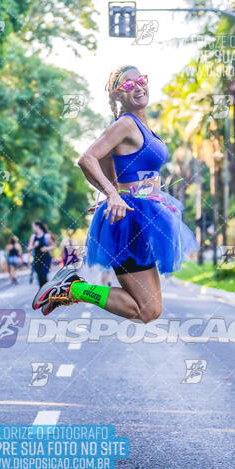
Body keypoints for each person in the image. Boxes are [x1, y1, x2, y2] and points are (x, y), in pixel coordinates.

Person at [32, 65, 198, 318]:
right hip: (129, 222)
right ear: (119, 95)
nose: (139, 86)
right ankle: (75, 289)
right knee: (145, 310)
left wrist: (110, 192)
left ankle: (74, 289)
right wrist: (112, 194)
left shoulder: (141, 126)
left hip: (143, 214)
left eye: (141, 79)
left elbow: (111, 168)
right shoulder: (126, 124)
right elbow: (87, 159)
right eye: (129, 85)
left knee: (150, 310)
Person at [28, 221, 54, 288]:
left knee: (44, 275)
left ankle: (47, 291)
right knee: (39, 277)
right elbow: (29, 248)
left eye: (33, 227)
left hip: (46, 258)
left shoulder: (46, 236)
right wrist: (34, 245)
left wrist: (47, 248)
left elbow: (54, 245)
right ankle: (42, 295)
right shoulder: (33, 236)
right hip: (37, 259)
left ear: (37, 227)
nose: (32, 228)